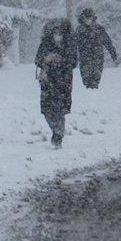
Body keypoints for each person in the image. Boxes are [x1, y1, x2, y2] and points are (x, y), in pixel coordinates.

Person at [35, 18, 78, 148]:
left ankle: (58, 135)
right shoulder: (45, 44)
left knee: (60, 110)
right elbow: (37, 59)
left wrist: (61, 60)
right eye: (55, 32)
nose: (57, 35)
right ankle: (56, 130)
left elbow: (74, 62)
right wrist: (46, 59)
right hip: (47, 81)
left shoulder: (69, 44)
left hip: (63, 82)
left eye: (60, 32)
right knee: (47, 110)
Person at [74, 8, 118, 89]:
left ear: (93, 18)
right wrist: (73, 58)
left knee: (96, 79)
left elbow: (107, 42)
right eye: (86, 18)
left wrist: (113, 54)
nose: (88, 20)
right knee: (86, 80)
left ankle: (95, 92)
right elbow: (73, 45)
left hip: (97, 58)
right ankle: (88, 92)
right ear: (83, 19)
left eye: (90, 18)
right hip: (84, 58)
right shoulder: (79, 30)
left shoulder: (99, 29)